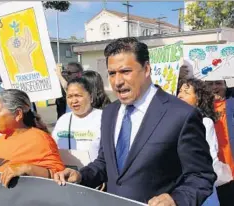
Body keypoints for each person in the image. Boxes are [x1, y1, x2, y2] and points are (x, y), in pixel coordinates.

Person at [53, 37, 216, 206]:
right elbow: (105, 162)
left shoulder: (181, 115)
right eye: (112, 73)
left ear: (146, 69)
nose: (117, 81)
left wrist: (176, 199)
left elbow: (201, 176)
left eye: (125, 71)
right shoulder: (109, 112)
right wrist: (81, 176)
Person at [0, 89, 65, 187]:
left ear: (18, 114)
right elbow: (4, 157)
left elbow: (61, 177)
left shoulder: (40, 140)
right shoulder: (4, 137)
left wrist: (28, 169)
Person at [177, 78, 233, 206]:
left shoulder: (205, 123)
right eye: (180, 91)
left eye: (186, 92)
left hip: (199, 188)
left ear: (198, 98)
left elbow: (210, 159)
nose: (181, 95)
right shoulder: (174, 122)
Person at [52, 77, 102, 162]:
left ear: (91, 97)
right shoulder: (63, 120)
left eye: (78, 95)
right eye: (70, 96)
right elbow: (54, 148)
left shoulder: (103, 117)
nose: (74, 100)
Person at [205, 80, 234, 206]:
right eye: (210, 84)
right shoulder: (202, 108)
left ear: (226, 84)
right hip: (218, 174)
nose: (214, 87)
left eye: (218, 83)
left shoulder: (231, 101)